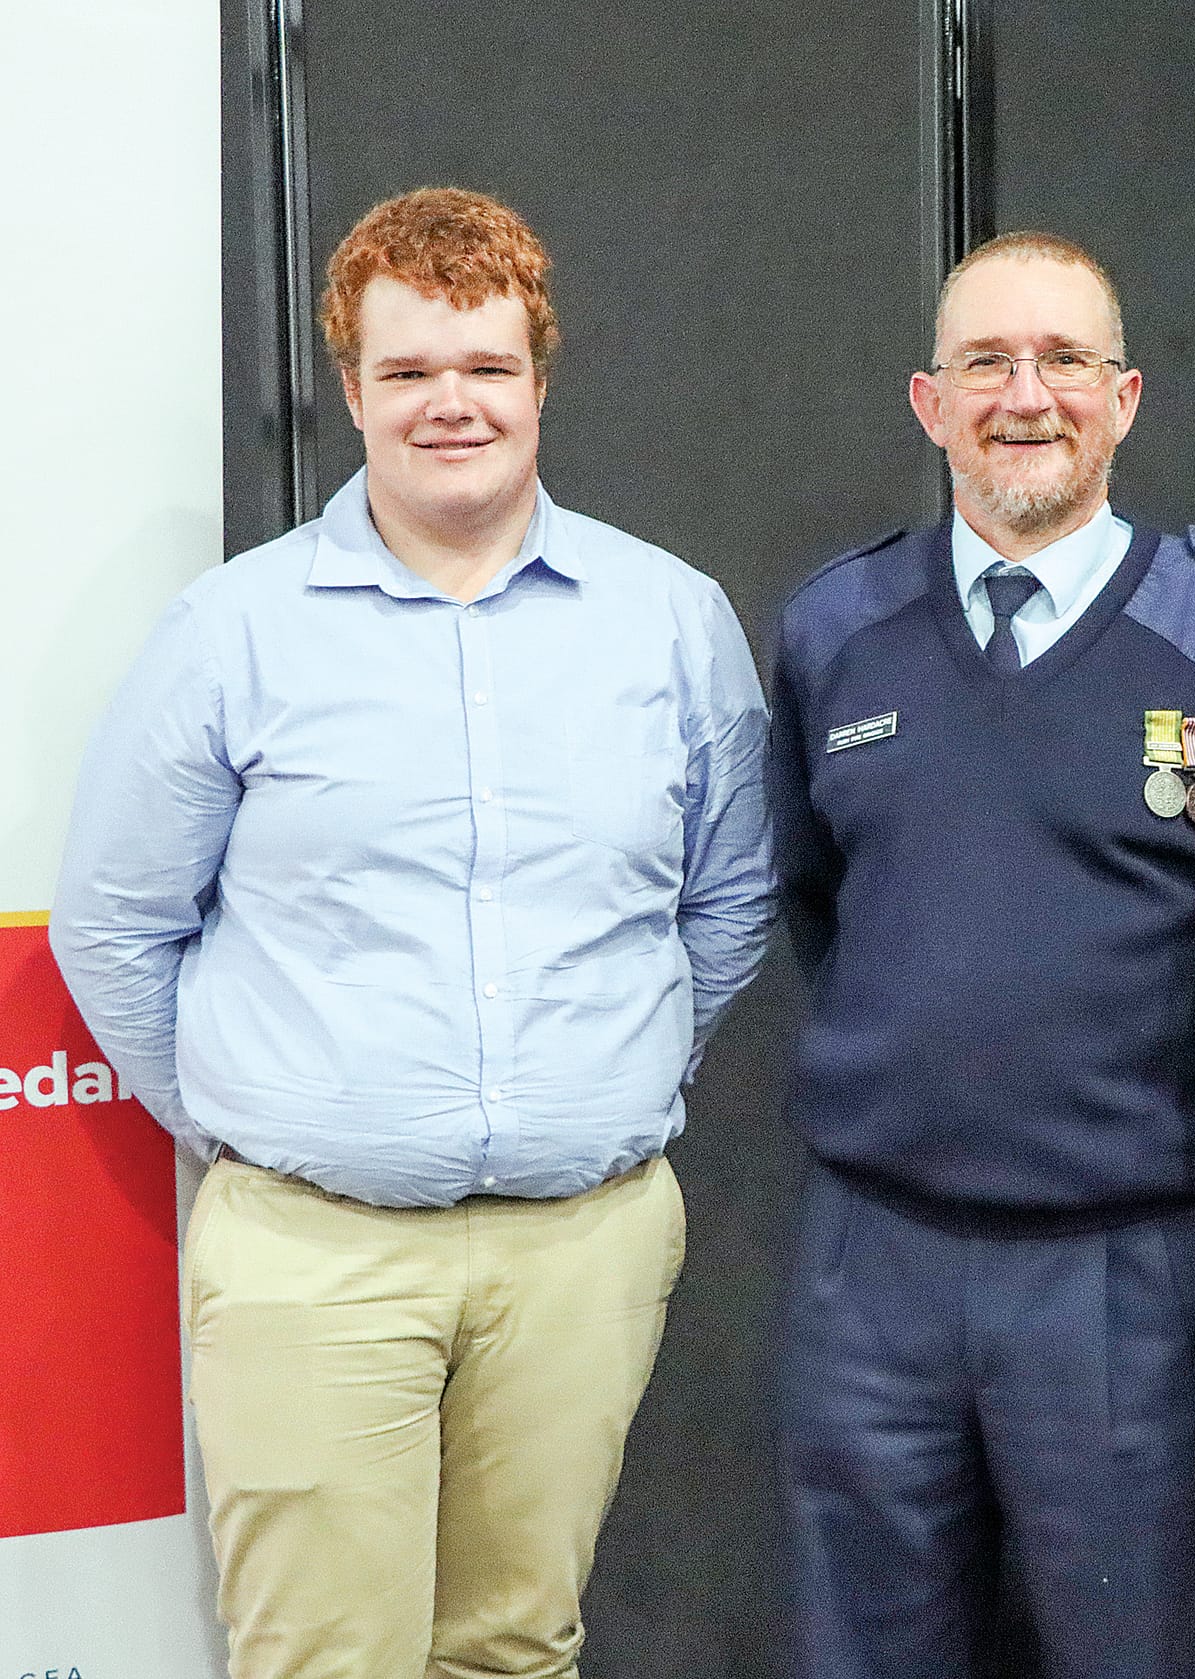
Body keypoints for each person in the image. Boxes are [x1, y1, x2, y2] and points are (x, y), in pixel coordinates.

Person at [50, 187, 773, 1677]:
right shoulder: (234, 632)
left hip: (583, 1246)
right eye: (411, 371)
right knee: (322, 1656)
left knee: (516, 1647)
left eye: (487, 368)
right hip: (315, 1251)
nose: (454, 403)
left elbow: (729, 898)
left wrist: (605, 1069)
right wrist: (261, 1124)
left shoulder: (669, 621)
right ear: (353, 388)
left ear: (540, 379)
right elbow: (117, 923)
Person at [768, 230, 1195, 1679]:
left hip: (1130, 1268)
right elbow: (820, 900)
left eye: (1064, 359)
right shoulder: (837, 629)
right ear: (929, 403)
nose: (1027, 394)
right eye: (985, 361)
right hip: (874, 1266)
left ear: (1124, 398)